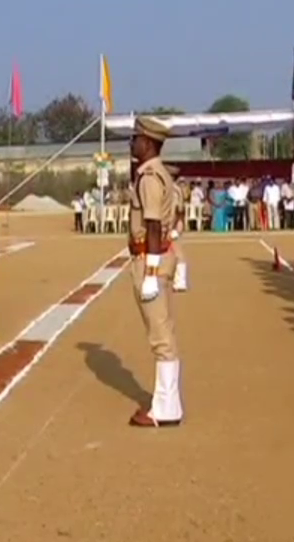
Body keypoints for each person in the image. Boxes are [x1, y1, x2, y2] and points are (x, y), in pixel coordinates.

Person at [127, 115, 182, 428]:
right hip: (157, 258)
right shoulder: (160, 174)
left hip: (150, 259)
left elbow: (152, 225)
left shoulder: (149, 177)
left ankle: (165, 407)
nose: (133, 143)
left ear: (148, 143)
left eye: (136, 139)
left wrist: (149, 271)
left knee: (160, 336)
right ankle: (166, 401)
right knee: (163, 332)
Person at [167, 166, 187, 291]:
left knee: (178, 254)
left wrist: (176, 228)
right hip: (165, 225)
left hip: (171, 225)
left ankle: (180, 281)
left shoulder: (174, 190)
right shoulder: (173, 189)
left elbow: (179, 210)